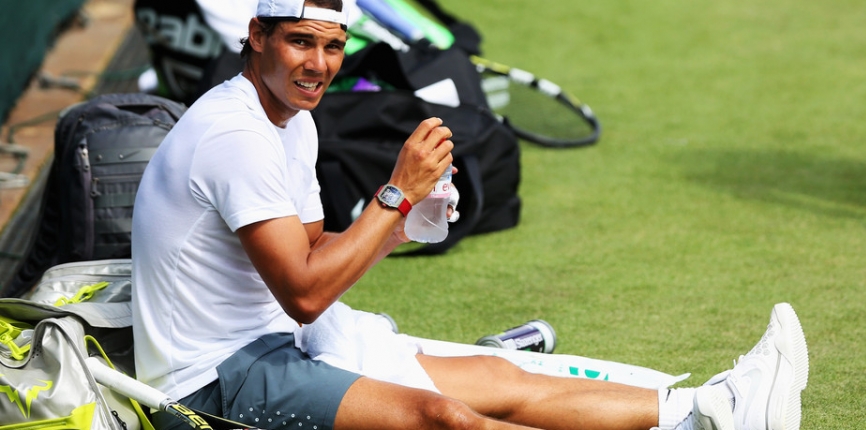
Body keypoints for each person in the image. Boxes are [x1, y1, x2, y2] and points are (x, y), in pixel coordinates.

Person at [129, 1, 809, 429]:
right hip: (214, 383)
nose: (319, 65)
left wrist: (400, 223)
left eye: (332, 46)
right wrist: (393, 194)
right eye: (300, 43)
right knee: (447, 418)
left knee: (498, 378)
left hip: (279, 340)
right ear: (256, 36)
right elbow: (305, 293)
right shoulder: (234, 137)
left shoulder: (291, 122)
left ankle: (710, 415)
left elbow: (314, 256)